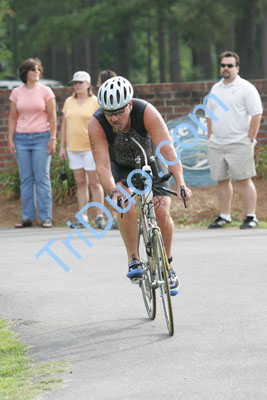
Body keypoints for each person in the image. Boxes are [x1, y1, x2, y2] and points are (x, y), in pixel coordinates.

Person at [88, 76, 192, 295]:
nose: (114, 118)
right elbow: (102, 166)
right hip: (121, 168)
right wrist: (113, 192)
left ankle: (169, 266)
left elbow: (168, 151)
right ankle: (133, 258)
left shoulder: (146, 112)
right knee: (124, 204)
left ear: (130, 105)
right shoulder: (97, 123)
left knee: (161, 210)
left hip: (151, 161)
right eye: (109, 113)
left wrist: (181, 181)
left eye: (119, 112)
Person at [206, 51, 263, 229]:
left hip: (239, 143)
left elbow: (256, 114)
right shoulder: (216, 88)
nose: (226, 68)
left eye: (230, 65)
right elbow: (209, 114)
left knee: (245, 180)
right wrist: (210, 137)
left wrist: (250, 139)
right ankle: (224, 216)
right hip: (217, 144)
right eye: (223, 65)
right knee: (222, 181)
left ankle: (251, 216)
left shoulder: (246, 88)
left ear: (237, 68)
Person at [8, 57, 57, 228]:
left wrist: (53, 138)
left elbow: (52, 117)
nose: (37, 72)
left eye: (38, 69)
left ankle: (45, 217)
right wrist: (10, 140)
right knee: (26, 179)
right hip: (21, 139)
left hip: (42, 138)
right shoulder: (16, 93)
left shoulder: (46, 91)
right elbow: (13, 117)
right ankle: (27, 217)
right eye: (33, 69)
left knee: (42, 178)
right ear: (25, 73)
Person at [59, 71, 105, 229]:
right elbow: (64, 125)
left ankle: (99, 216)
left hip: (90, 148)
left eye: (80, 82)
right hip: (73, 148)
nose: (77, 85)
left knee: (95, 183)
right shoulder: (68, 102)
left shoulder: (96, 102)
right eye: (75, 83)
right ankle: (83, 216)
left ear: (88, 84)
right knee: (80, 183)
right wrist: (62, 146)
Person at [96, 69, 119, 229]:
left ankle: (117, 217)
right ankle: (115, 216)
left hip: (114, 148)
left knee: (115, 182)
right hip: (107, 148)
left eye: (99, 81)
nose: (97, 84)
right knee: (112, 182)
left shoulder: (110, 104)